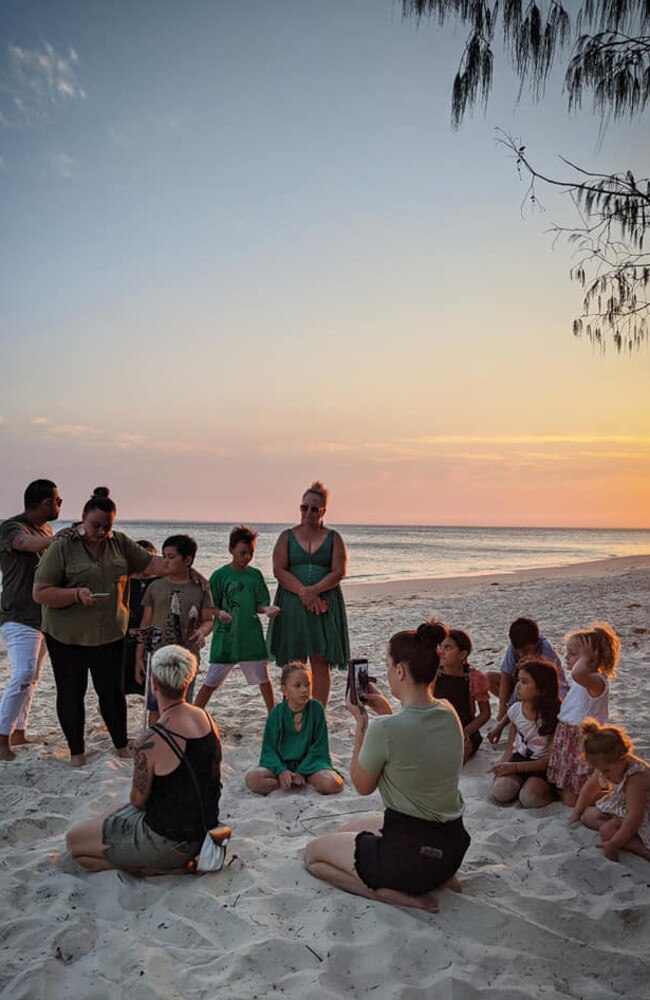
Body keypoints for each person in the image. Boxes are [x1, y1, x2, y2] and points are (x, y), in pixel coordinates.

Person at [304, 622, 470, 912]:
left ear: (400, 672)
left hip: (409, 859)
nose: (387, 671)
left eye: (388, 665)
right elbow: (411, 738)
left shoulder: (384, 729)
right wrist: (384, 711)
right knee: (345, 830)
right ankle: (440, 878)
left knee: (314, 855)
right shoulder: (447, 711)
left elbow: (362, 785)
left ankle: (388, 894)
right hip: (451, 848)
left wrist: (362, 724)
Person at [33, 487, 192, 766]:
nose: (101, 531)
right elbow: (40, 592)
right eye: (96, 525)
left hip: (109, 635)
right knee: (71, 693)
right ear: (83, 518)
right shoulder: (62, 547)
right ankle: (77, 753)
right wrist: (75, 595)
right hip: (66, 636)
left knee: (112, 692)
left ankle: (121, 745)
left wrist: (188, 571)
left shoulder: (119, 543)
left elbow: (153, 564)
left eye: (107, 526)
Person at [66, 644, 223, 874]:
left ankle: (156, 869)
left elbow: (138, 800)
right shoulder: (206, 718)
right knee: (108, 815)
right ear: (187, 682)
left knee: (75, 845)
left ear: (154, 685)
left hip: (167, 842)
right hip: (202, 832)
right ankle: (153, 862)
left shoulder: (150, 740)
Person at [267, 481, 350, 707]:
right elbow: (279, 570)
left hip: (325, 602)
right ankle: (292, 708)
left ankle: (318, 710)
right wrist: (304, 593)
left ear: (323, 511)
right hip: (293, 603)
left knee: (320, 660)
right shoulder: (286, 536)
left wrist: (314, 591)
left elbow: (339, 571)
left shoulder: (334, 538)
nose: (308, 512)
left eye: (315, 508)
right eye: (305, 507)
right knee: (294, 660)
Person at [0, 480, 63, 761]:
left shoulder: (46, 529)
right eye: (58, 501)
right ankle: (2, 736)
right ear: (46, 503)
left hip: (42, 616)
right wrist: (56, 540)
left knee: (33, 677)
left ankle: (19, 731)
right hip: (17, 615)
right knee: (23, 673)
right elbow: (24, 544)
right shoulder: (13, 527)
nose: (61, 505)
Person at [195, 525, 279, 714]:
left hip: (250, 637)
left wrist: (267, 609)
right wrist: (219, 614)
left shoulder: (255, 575)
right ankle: (195, 713)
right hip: (225, 638)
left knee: (264, 680)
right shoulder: (219, 576)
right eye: (243, 552)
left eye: (250, 553)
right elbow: (210, 605)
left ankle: (272, 715)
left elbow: (259, 604)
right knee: (211, 681)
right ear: (231, 549)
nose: (247, 557)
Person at [135, 535, 213, 725]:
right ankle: (155, 743)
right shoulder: (155, 586)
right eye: (164, 556)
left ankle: (177, 743)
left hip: (187, 658)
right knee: (154, 706)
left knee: (182, 704)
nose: (165, 561)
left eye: (171, 557)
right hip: (157, 655)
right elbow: (146, 623)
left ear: (187, 560)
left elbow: (208, 620)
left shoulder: (201, 588)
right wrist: (139, 657)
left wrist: (202, 632)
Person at [547, 623, 620, 806]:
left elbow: (578, 673)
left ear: (592, 659)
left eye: (573, 654)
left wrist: (585, 657)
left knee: (575, 793)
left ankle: (609, 797)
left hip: (582, 738)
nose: (566, 657)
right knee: (566, 784)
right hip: (567, 734)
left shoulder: (596, 681)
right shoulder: (584, 681)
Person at [245, 662, 343, 795]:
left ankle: (303, 779)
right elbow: (269, 750)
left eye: (307, 685)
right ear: (284, 690)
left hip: (311, 765)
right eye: (297, 686)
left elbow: (319, 747)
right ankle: (287, 780)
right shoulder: (276, 713)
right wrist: (281, 771)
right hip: (282, 764)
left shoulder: (316, 709)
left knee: (333, 784)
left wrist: (302, 771)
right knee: (253, 779)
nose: (304, 690)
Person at [569, 719, 650, 862]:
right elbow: (589, 788)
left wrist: (613, 844)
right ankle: (622, 830)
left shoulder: (636, 777)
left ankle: (643, 850)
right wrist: (576, 813)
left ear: (622, 758)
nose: (604, 775)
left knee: (607, 831)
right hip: (624, 804)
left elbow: (634, 817)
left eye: (607, 770)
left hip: (642, 811)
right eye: (601, 771)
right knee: (588, 815)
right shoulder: (605, 765)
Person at [490, 657, 560, 809]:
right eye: (518, 681)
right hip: (520, 757)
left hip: (541, 766)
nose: (517, 687)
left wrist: (514, 768)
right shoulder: (516, 709)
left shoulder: (554, 717)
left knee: (530, 799)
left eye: (524, 682)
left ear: (542, 689)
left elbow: (548, 760)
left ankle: (550, 793)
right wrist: (505, 763)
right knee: (501, 791)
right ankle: (519, 782)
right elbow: (511, 744)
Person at [487, 617, 566, 744]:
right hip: (525, 684)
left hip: (548, 688)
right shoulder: (515, 645)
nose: (521, 654)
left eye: (525, 651)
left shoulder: (545, 649)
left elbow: (550, 684)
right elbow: (506, 675)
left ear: (536, 643)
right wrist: (502, 711)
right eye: (518, 651)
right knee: (490, 678)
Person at [435, 628, 491, 761]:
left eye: (448, 647)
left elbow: (485, 713)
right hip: (437, 728)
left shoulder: (473, 677)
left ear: (462, 654)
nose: (442, 652)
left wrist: (465, 732)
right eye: (440, 646)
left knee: (458, 753)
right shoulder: (434, 674)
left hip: (464, 730)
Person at [123, 540, 158, 696]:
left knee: (151, 688)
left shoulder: (160, 580)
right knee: (118, 687)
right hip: (125, 636)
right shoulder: (124, 579)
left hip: (150, 637)